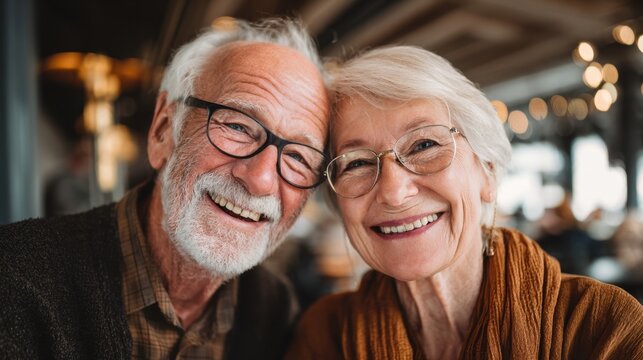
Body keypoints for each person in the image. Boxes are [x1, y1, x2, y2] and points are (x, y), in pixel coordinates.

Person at [0, 18, 329, 359]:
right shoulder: (14, 279)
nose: (260, 180)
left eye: (298, 158)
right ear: (162, 130)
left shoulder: (276, 311)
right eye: (238, 126)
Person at [286, 46, 643, 359]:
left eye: (425, 145)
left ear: (487, 172)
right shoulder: (325, 335)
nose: (394, 192)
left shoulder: (602, 326)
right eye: (358, 163)